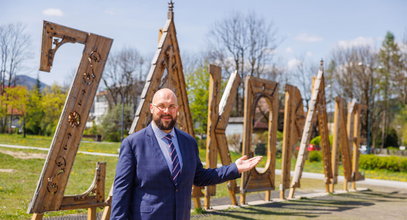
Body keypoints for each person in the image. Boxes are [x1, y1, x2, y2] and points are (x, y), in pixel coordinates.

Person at [111, 88, 262, 220]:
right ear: (151, 108)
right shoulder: (133, 144)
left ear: (177, 109)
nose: (166, 111)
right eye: (161, 106)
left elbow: (199, 177)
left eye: (171, 106)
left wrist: (234, 168)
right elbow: (121, 191)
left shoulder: (188, 142)